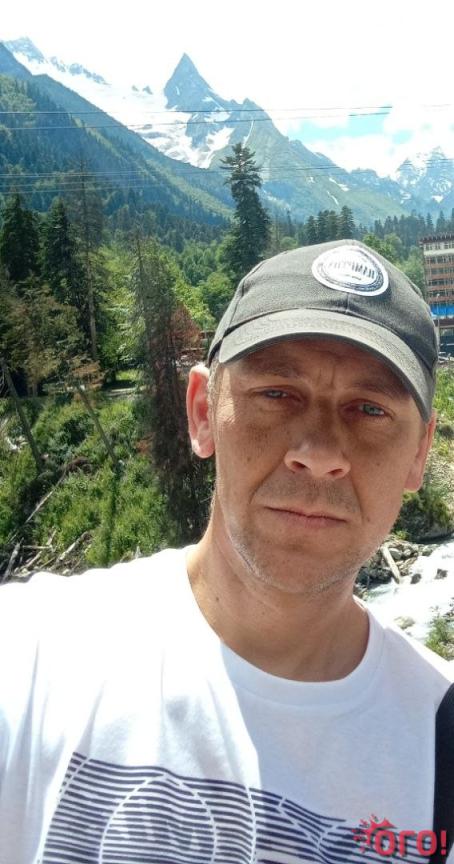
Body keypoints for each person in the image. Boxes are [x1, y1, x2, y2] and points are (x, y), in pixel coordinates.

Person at [1, 239, 453, 864]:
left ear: (419, 454)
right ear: (203, 411)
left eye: (370, 409)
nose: (319, 453)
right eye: (277, 393)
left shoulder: (441, 732)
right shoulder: (30, 658)